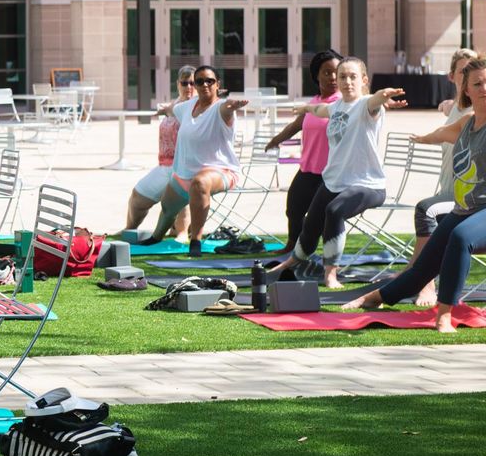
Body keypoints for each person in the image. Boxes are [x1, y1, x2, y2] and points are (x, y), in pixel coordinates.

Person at [343, 57, 486, 333]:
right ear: (466, 89)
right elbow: (444, 133)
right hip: (464, 209)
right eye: (477, 83)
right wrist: (422, 138)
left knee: (460, 238)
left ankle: (444, 315)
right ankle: (376, 297)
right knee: (423, 266)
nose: (484, 88)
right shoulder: (468, 123)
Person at [269, 58, 406, 288]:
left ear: (364, 81)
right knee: (311, 224)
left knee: (334, 211)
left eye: (353, 76)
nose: (346, 81)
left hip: (367, 185)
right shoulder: (337, 106)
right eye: (342, 77)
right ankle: (292, 261)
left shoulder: (366, 106)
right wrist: (305, 108)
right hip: (334, 182)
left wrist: (384, 95)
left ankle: (330, 273)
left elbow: (376, 99)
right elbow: (319, 109)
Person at [145, 65, 247, 256]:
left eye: (210, 80)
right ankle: (156, 238)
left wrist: (232, 106)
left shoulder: (221, 108)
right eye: (199, 81)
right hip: (184, 174)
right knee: (167, 208)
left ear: (218, 84)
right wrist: (162, 111)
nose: (204, 84)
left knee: (200, 183)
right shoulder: (186, 108)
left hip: (221, 172)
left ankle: (195, 241)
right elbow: (173, 109)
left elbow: (226, 107)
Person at [408, 48, 477, 306]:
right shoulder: (454, 108)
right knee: (430, 212)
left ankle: (426, 285)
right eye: (463, 71)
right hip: (449, 192)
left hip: (466, 199)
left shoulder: (474, 111)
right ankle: (413, 274)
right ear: (451, 77)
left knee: (426, 210)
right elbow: (451, 107)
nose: (470, 76)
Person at [264, 50, 343, 254]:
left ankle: (325, 254)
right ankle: (292, 245)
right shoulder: (314, 102)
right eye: (327, 72)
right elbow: (295, 125)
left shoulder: (344, 103)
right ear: (316, 76)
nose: (333, 77)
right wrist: (275, 140)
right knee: (294, 208)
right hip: (308, 168)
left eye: (336, 72)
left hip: (332, 173)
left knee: (322, 214)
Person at [123, 65, 195, 238]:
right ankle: (129, 229)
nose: (189, 87)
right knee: (137, 197)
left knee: (180, 192)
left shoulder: (197, 106)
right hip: (164, 165)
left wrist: (168, 110)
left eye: (193, 83)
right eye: (185, 83)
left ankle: (182, 233)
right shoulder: (175, 104)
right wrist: (167, 109)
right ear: (178, 84)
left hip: (186, 166)